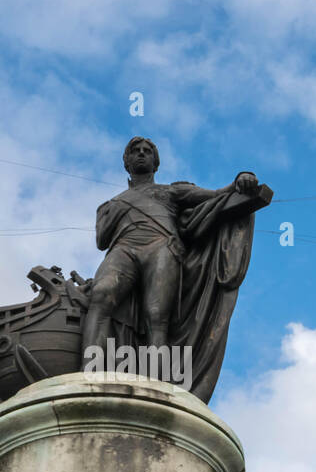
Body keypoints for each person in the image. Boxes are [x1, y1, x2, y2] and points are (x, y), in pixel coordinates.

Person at [82, 137, 268, 399]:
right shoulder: (111, 204)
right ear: (126, 162)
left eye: (147, 152)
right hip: (124, 248)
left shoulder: (171, 192)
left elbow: (217, 195)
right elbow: (102, 240)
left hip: (162, 247)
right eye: (135, 152)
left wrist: (241, 178)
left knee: (157, 316)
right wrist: (116, 210)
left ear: (155, 163)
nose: (142, 155)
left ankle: (155, 385)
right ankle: (88, 374)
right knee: (101, 295)